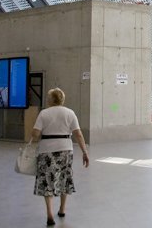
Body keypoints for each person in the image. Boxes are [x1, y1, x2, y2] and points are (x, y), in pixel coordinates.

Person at [31, 88, 89, 226]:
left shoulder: (44, 113)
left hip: (47, 151)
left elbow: (35, 134)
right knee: (64, 178)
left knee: (47, 181)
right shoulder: (70, 113)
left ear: (51, 99)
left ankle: (50, 215)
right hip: (65, 150)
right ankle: (62, 209)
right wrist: (85, 152)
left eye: (48, 97)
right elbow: (78, 134)